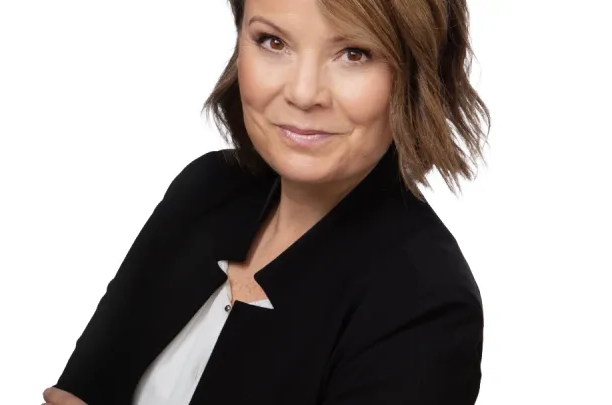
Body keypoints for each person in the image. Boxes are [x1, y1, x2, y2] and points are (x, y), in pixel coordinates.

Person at [42, 0, 490, 404]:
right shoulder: (205, 189)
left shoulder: (426, 303)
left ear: (417, 71)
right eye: (273, 42)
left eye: (355, 53)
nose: (303, 93)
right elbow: (79, 389)